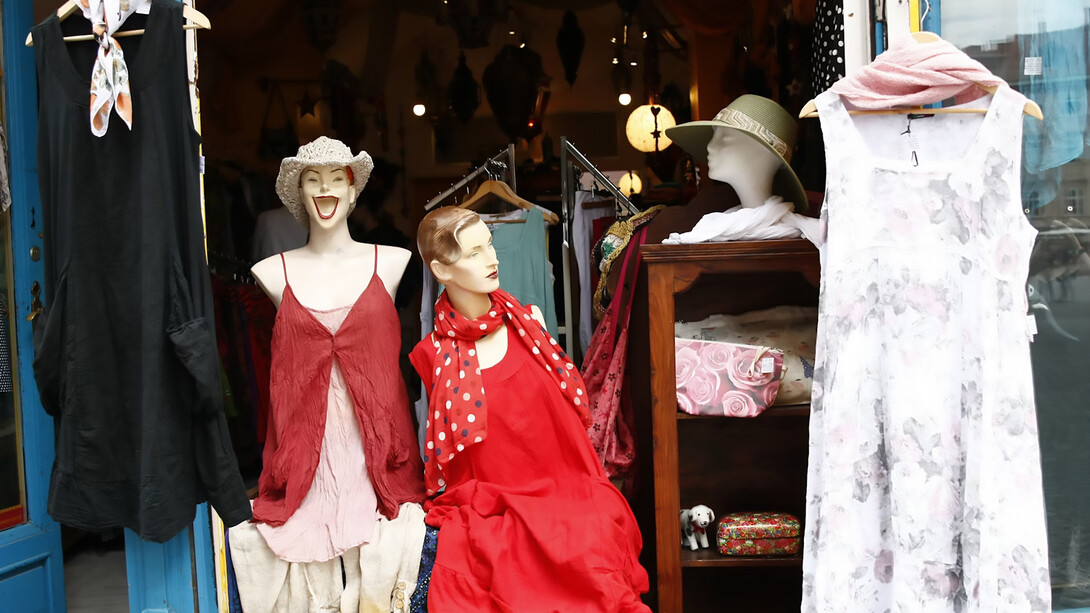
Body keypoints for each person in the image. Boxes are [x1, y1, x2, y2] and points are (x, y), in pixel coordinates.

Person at [409, 206, 651, 612]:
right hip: (488, 504)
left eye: (489, 245)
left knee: (595, 549)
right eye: (474, 253)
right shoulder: (433, 354)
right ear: (441, 270)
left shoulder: (530, 324)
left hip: (567, 490)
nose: (492, 259)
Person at [230, 137, 427, 613]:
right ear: (300, 193)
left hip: (379, 460)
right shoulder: (273, 270)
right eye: (313, 180)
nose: (325, 189)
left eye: (337, 179)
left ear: (353, 191)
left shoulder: (390, 261)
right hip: (307, 464)